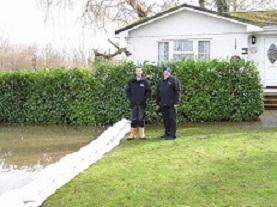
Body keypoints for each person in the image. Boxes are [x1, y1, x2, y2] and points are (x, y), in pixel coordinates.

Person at [156, 66, 181, 140]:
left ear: (170, 73)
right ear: (163, 73)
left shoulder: (174, 80)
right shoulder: (161, 82)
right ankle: (167, 133)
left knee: (172, 119)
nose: (166, 73)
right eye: (165, 72)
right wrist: (157, 103)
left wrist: (176, 102)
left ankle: (172, 135)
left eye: (167, 72)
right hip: (163, 104)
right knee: (165, 119)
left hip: (171, 104)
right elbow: (158, 93)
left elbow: (178, 92)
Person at [126, 66, 151, 140]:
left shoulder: (145, 82)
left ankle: (142, 134)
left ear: (142, 72)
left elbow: (148, 91)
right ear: (135, 72)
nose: (138, 72)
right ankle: (132, 134)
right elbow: (127, 91)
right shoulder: (131, 81)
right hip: (133, 104)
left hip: (141, 104)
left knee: (141, 118)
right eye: (137, 71)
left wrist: (144, 98)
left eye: (139, 71)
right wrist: (131, 99)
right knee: (133, 119)